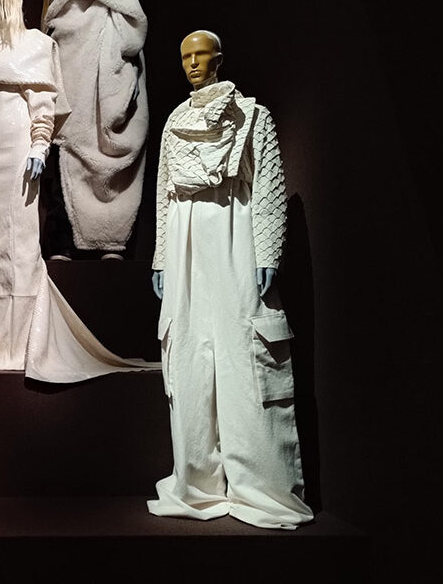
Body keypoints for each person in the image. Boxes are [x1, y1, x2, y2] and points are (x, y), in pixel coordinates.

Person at [0, 0, 155, 382]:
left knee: (21, 243)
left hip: (19, 147)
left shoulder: (38, 45)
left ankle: (24, 340)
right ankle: (0, 339)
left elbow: (43, 101)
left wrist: (39, 146)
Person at [147, 30, 314, 529]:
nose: (192, 64)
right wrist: (160, 257)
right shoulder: (174, 121)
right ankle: (196, 481)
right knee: (189, 354)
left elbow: (267, 185)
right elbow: (164, 193)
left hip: (234, 236)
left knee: (244, 354)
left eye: (201, 55)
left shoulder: (252, 116)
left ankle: (260, 483)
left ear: (219, 59)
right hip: (185, 246)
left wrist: (268, 248)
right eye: (185, 57)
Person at [41, 0, 149, 259]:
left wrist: (119, 55)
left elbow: (133, 19)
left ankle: (111, 238)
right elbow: (47, 21)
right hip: (70, 64)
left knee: (108, 143)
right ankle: (62, 241)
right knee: (66, 147)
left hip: (109, 65)